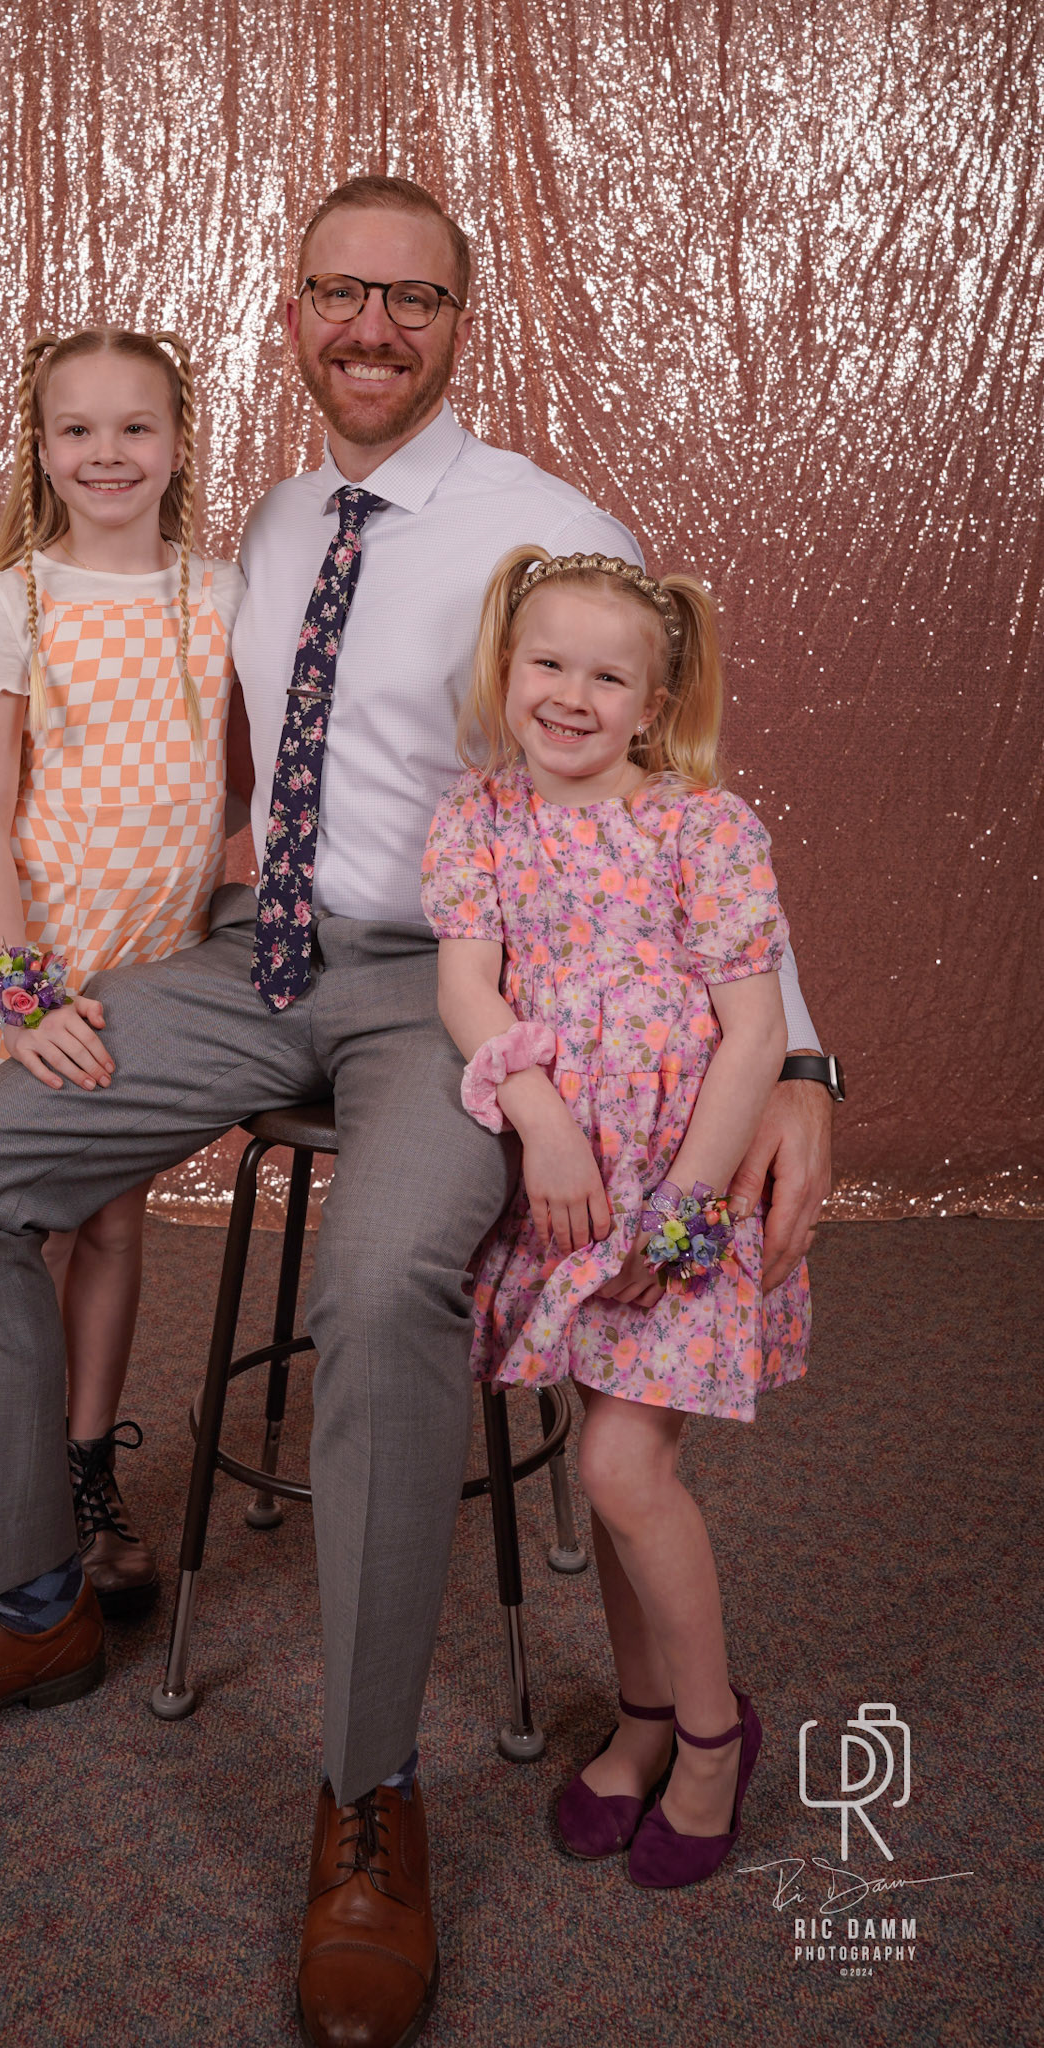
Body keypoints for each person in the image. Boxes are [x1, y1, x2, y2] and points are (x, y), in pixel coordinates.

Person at [0, 179, 835, 2048]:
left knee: (373, 1290)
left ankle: (368, 1793)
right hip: (252, 957)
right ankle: (25, 1596)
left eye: (410, 299)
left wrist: (803, 1068)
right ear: (289, 313)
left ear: (458, 321)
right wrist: (58, 943)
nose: (371, 328)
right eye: (338, 294)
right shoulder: (265, 526)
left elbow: (678, 788)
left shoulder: (546, 524)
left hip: (455, 994)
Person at [422, 545, 809, 1892]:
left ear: (653, 704)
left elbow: (753, 1032)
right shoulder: (478, 817)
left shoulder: (703, 827)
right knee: (608, 1457)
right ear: (505, 667)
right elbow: (468, 987)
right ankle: (643, 1721)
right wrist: (538, 1120)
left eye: (606, 677)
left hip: (676, 1192)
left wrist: (686, 1220)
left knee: (621, 1472)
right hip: (571, 1184)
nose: (570, 697)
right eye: (547, 663)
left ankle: (710, 1736)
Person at [0, 324, 249, 1616]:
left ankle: (84, 1468)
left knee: (118, 1220)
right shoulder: (13, 602)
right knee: (39, 1223)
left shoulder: (221, 593)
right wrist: (22, 993)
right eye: (78, 429)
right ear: (42, 447)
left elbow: (240, 783)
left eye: (136, 427)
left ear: (178, 445)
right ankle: (17, 1486)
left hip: (161, 965)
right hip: (47, 968)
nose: (107, 453)